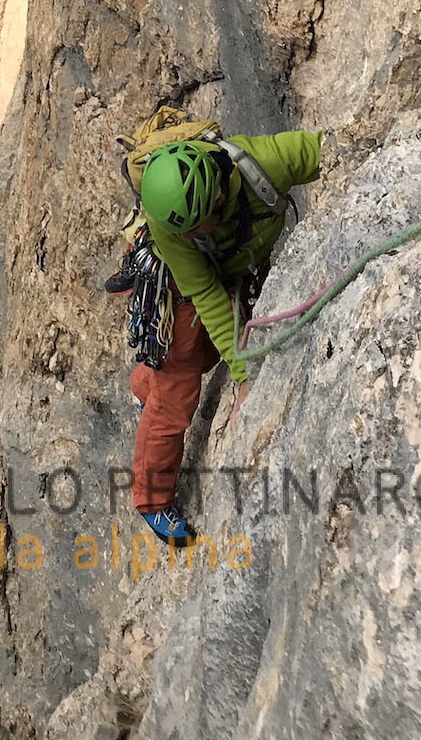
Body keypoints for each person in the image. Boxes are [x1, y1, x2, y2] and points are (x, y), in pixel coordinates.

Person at [130, 131, 322, 545]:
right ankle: (151, 500)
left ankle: (144, 382)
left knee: (204, 358)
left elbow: (333, 150)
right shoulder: (171, 229)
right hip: (175, 289)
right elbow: (206, 295)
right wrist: (244, 374)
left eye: (196, 228)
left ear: (218, 198)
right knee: (177, 393)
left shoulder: (269, 162)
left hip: (224, 269)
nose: (187, 237)